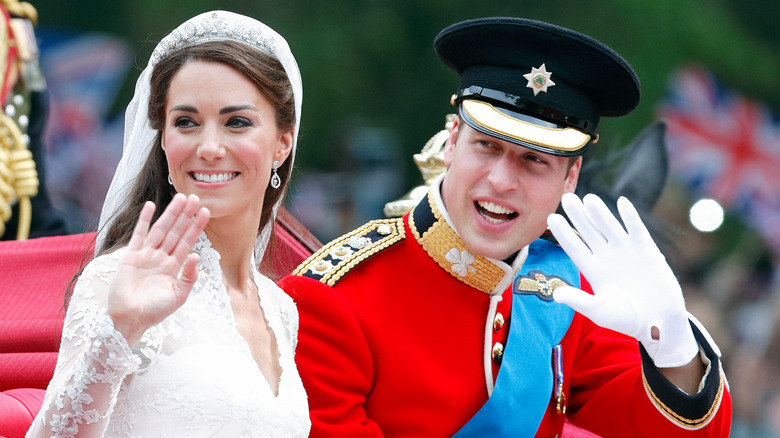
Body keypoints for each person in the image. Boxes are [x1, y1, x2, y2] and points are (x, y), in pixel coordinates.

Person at [280, 17, 731, 437]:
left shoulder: (566, 291)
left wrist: (672, 348)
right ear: (453, 140)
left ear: (569, 178)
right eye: (487, 146)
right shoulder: (334, 295)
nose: (501, 180)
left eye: (535, 160)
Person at [27, 10, 310, 437]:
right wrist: (119, 329)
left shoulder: (281, 310)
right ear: (163, 141)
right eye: (186, 123)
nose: (210, 147)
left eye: (237, 122)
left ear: (282, 144)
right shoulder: (115, 280)